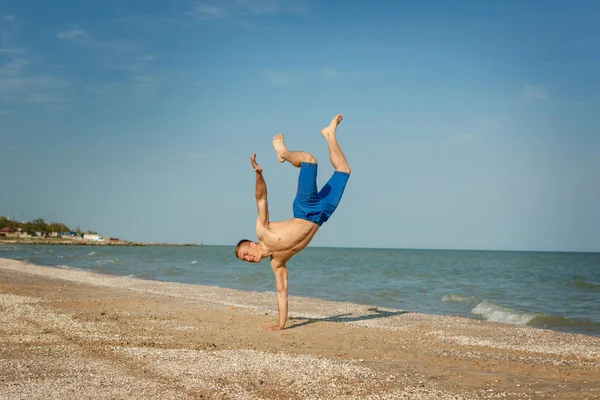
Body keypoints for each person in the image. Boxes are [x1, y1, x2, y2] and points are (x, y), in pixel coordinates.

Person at [234, 114, 351, 330]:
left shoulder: (262, 231)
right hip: (321, 216)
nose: (248, 259)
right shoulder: (277, 263)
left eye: (245, 254)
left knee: (309, 160)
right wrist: (281, 325)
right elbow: (281, 292)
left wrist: (259, 175)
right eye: (245, 260)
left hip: (305, 210)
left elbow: (261, 199)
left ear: (251, 244)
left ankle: (283, 153)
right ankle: (329, 134)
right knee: (344, 170)